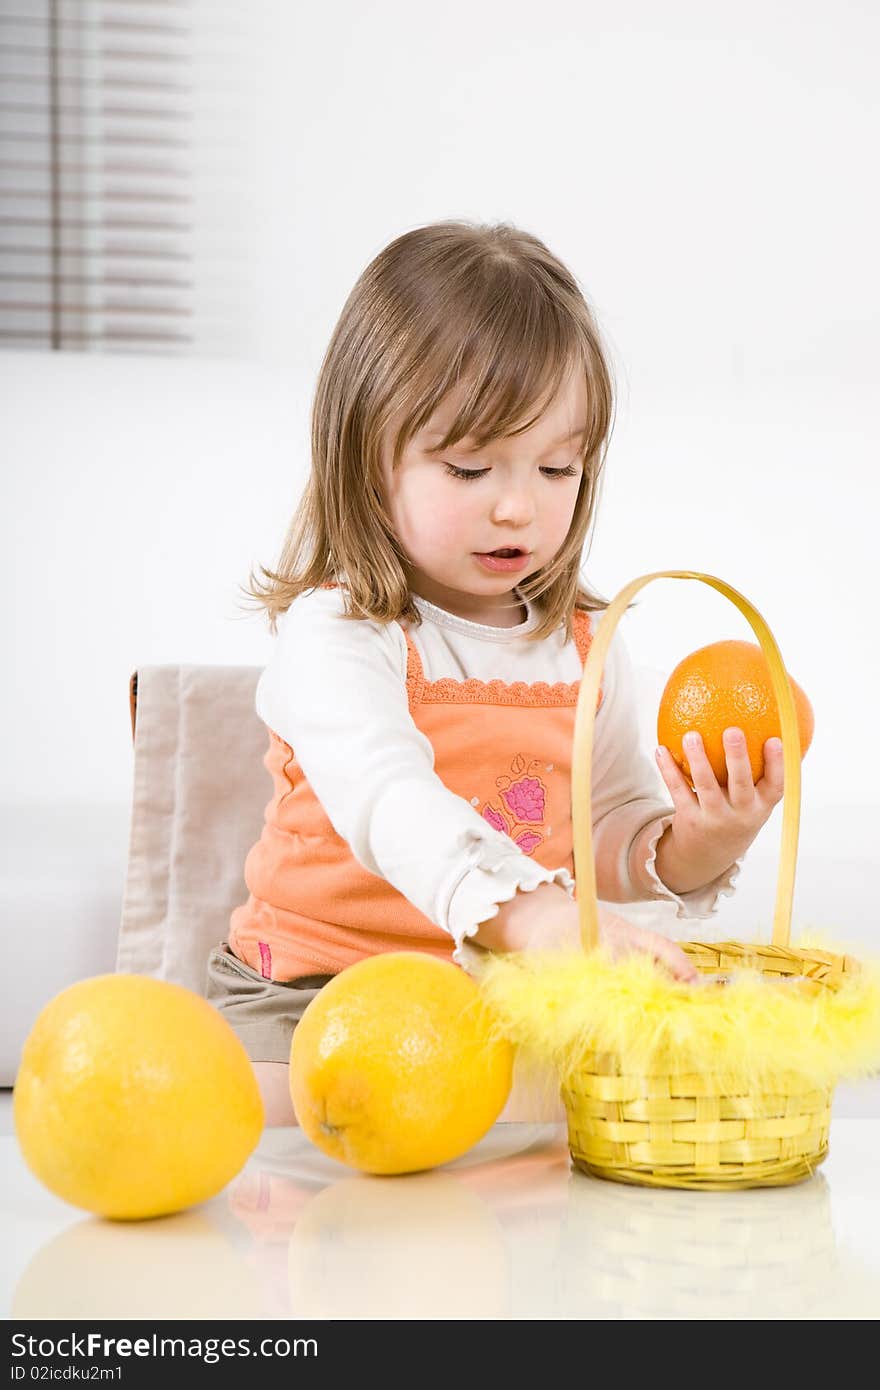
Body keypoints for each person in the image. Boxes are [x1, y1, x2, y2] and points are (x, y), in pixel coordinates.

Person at [206, 220, 784, 1126]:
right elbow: (390, 802)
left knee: (592, 1124)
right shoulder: (339, 634)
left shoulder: (588, 645)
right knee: (288, 1126)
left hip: (500, 1006)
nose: (519, 504)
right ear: (365, 463)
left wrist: (697, 842)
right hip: (312, 994)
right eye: (470, 466)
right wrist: (536, 919)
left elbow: (600, 834)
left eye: (557, 467)